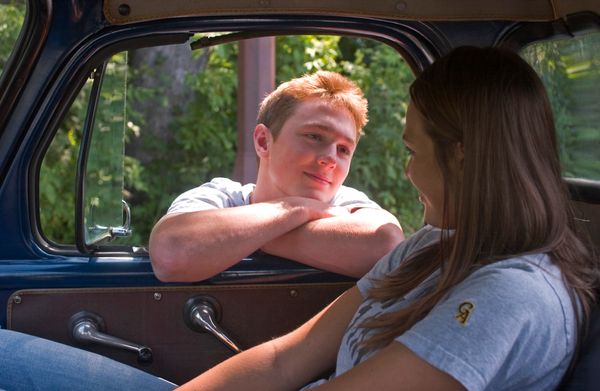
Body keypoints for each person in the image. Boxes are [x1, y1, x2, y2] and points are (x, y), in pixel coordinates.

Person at [175, 46, 600, 390]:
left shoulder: (510, 295)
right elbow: (284, 360)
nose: (407, 172)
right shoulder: (432, 245)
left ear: (461, 155)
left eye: (413, 152)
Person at [149, 71, 404, 281]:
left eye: (344, 149)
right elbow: (172, 252)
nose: (330, 159)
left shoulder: (346, 201)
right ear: (263, 141)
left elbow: (386, 243)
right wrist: (295, 208)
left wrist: (239, 239)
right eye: (314, 136)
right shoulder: (218, 196)